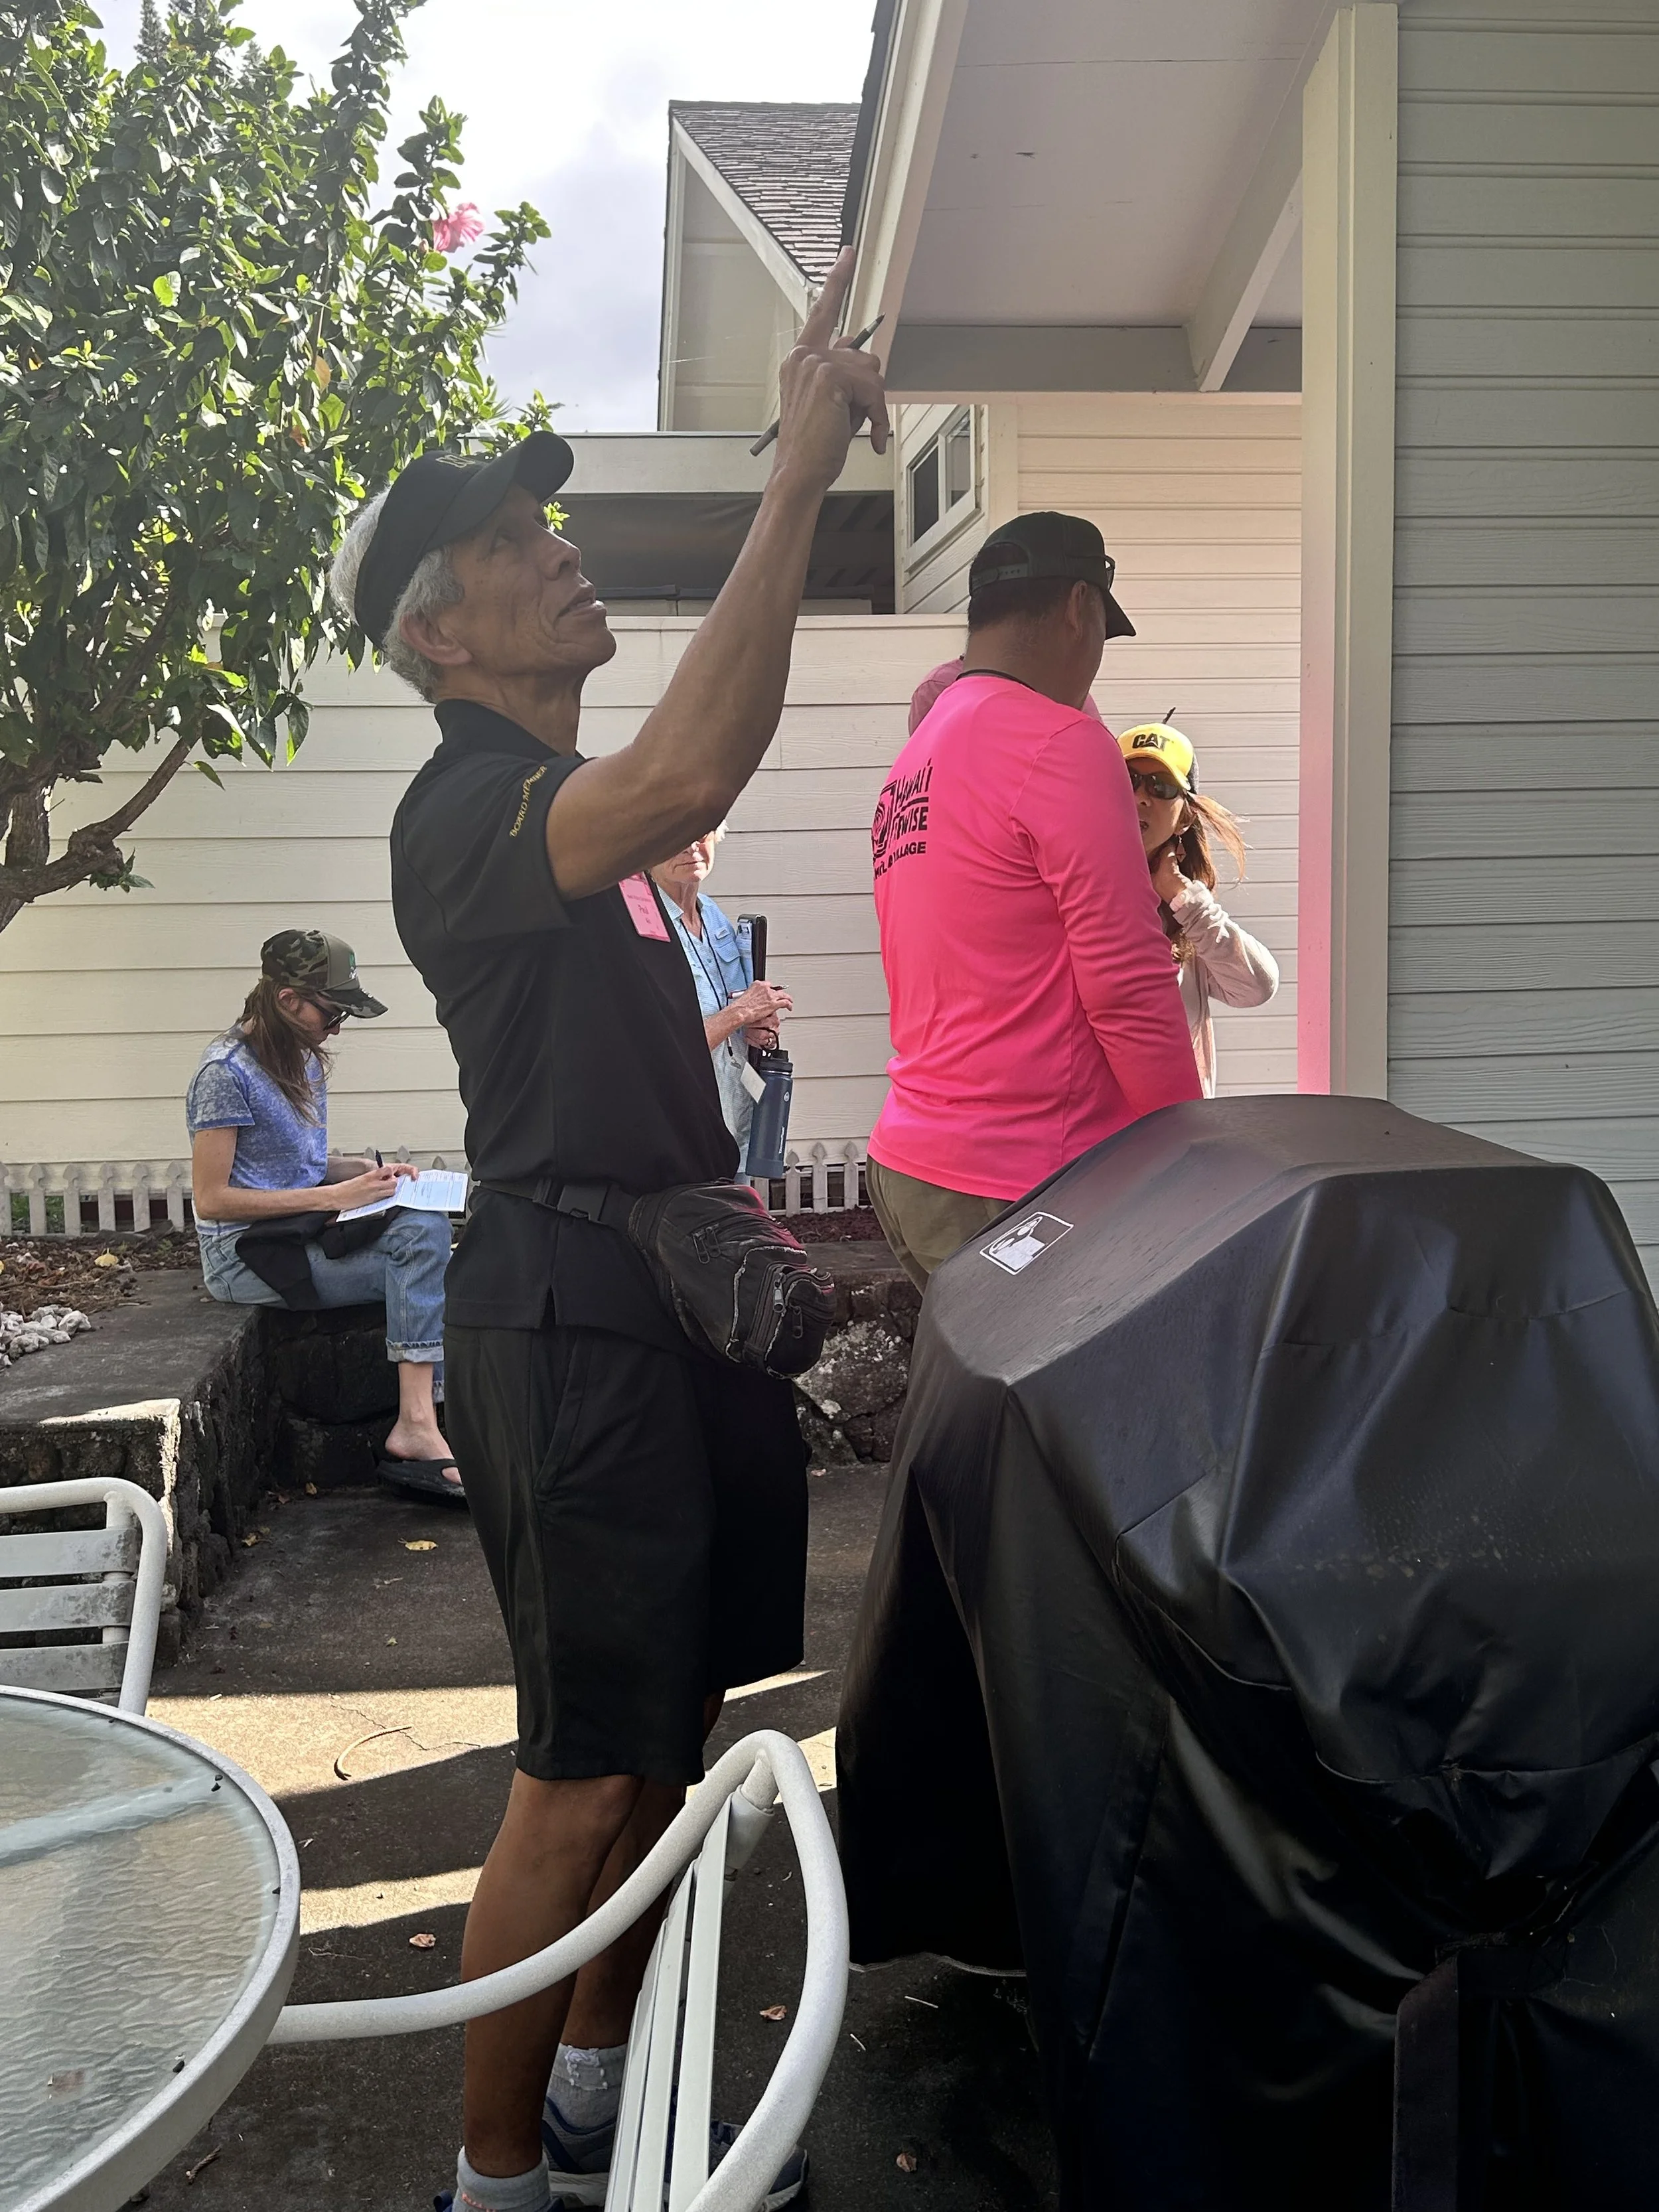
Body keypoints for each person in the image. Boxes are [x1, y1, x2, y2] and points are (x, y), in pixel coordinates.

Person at [328, 247, 887, 2212]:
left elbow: (671, 808)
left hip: (674, 1314)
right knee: (575, 1776)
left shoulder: (587, 814)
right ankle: (494, 2183)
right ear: (433, 634)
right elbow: (696, 764)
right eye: (509, 541)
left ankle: (588, 2105)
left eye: (549, 524)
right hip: (563, 1325)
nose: (559, 554)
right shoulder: (463, 806)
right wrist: (796, 478)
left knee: (664, 1750)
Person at [866, 512, 1202, 1291]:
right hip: (1026, 1183)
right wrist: (1191, 1159)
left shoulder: (912, 762)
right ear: (1081, 609)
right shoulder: (1058, 739)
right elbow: (1126, 980)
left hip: (915, 1167)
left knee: (989, 1414)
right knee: (1086, 1413)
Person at [186, 929, 461, 1500]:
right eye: (332, 1013)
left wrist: (357, 1170)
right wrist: (336, 1198)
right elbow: (213, 1200)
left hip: (299, 1233)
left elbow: (289, 1166)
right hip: (247, 1256)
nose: (336, 1028)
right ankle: (417, 1425)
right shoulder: (224, 1074)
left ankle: (431, 1419)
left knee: (434, 1238)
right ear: (288, 1000)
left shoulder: (301, 1059)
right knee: (423, 1246)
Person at [1118, 722, 1279, 1096]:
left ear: (1185, 817)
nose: (1141, 796)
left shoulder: (1185, 919)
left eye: (1161, 787)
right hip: (1084, 1140)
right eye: (1128, 779)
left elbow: (1255, 988)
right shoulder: (1060, 890)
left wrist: (1186, 901)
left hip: (1168, 1136)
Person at [651, 828, 792, 1166]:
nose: (690, 845)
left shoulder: (714, 917)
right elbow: (656, 1054)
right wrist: (740, 1013)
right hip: (681, 1141)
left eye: (704, 831)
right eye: (675, 833)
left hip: (735, 1128)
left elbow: (730, 1015)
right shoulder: (643, 933)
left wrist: (756, 1026)